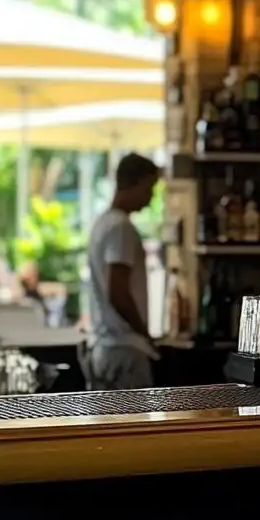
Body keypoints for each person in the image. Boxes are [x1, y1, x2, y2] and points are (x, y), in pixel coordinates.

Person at [85, 153, 161, 389]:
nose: (151, 197)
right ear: (134, 183)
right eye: (149, 188)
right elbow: (117, 291)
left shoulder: (102, 223)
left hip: (103, 348)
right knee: (135, 424)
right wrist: (144, 333)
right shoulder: (122, 228)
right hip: (124, 349)